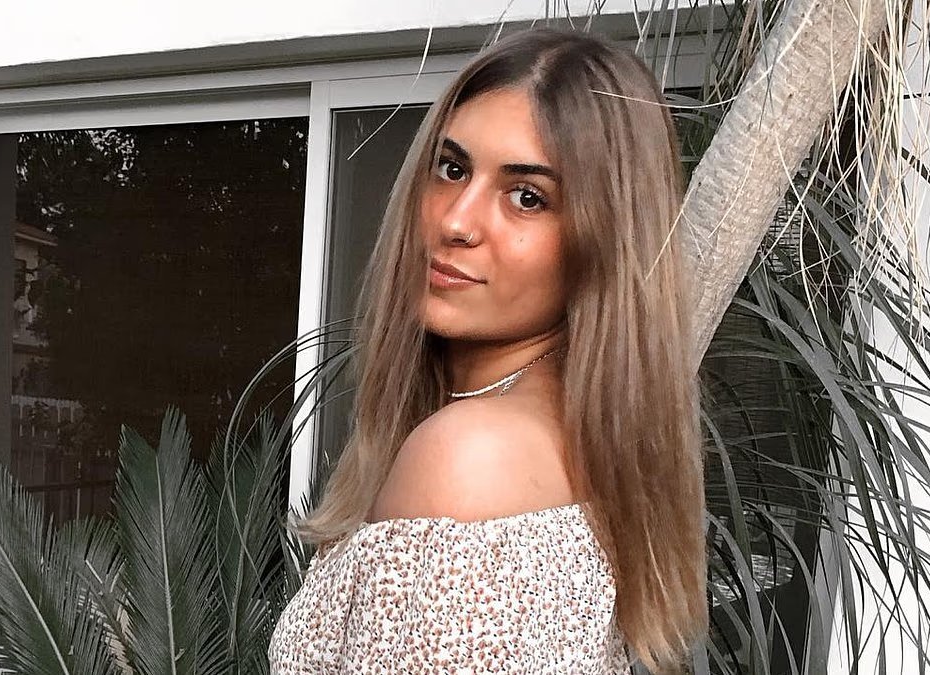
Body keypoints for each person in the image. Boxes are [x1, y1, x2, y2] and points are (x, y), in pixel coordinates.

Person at [268, 26, 706, 674]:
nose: (455, 221)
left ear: (604, 245)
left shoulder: (469, 457)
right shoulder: (582, 439)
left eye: (527, 197)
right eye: (452, 168)